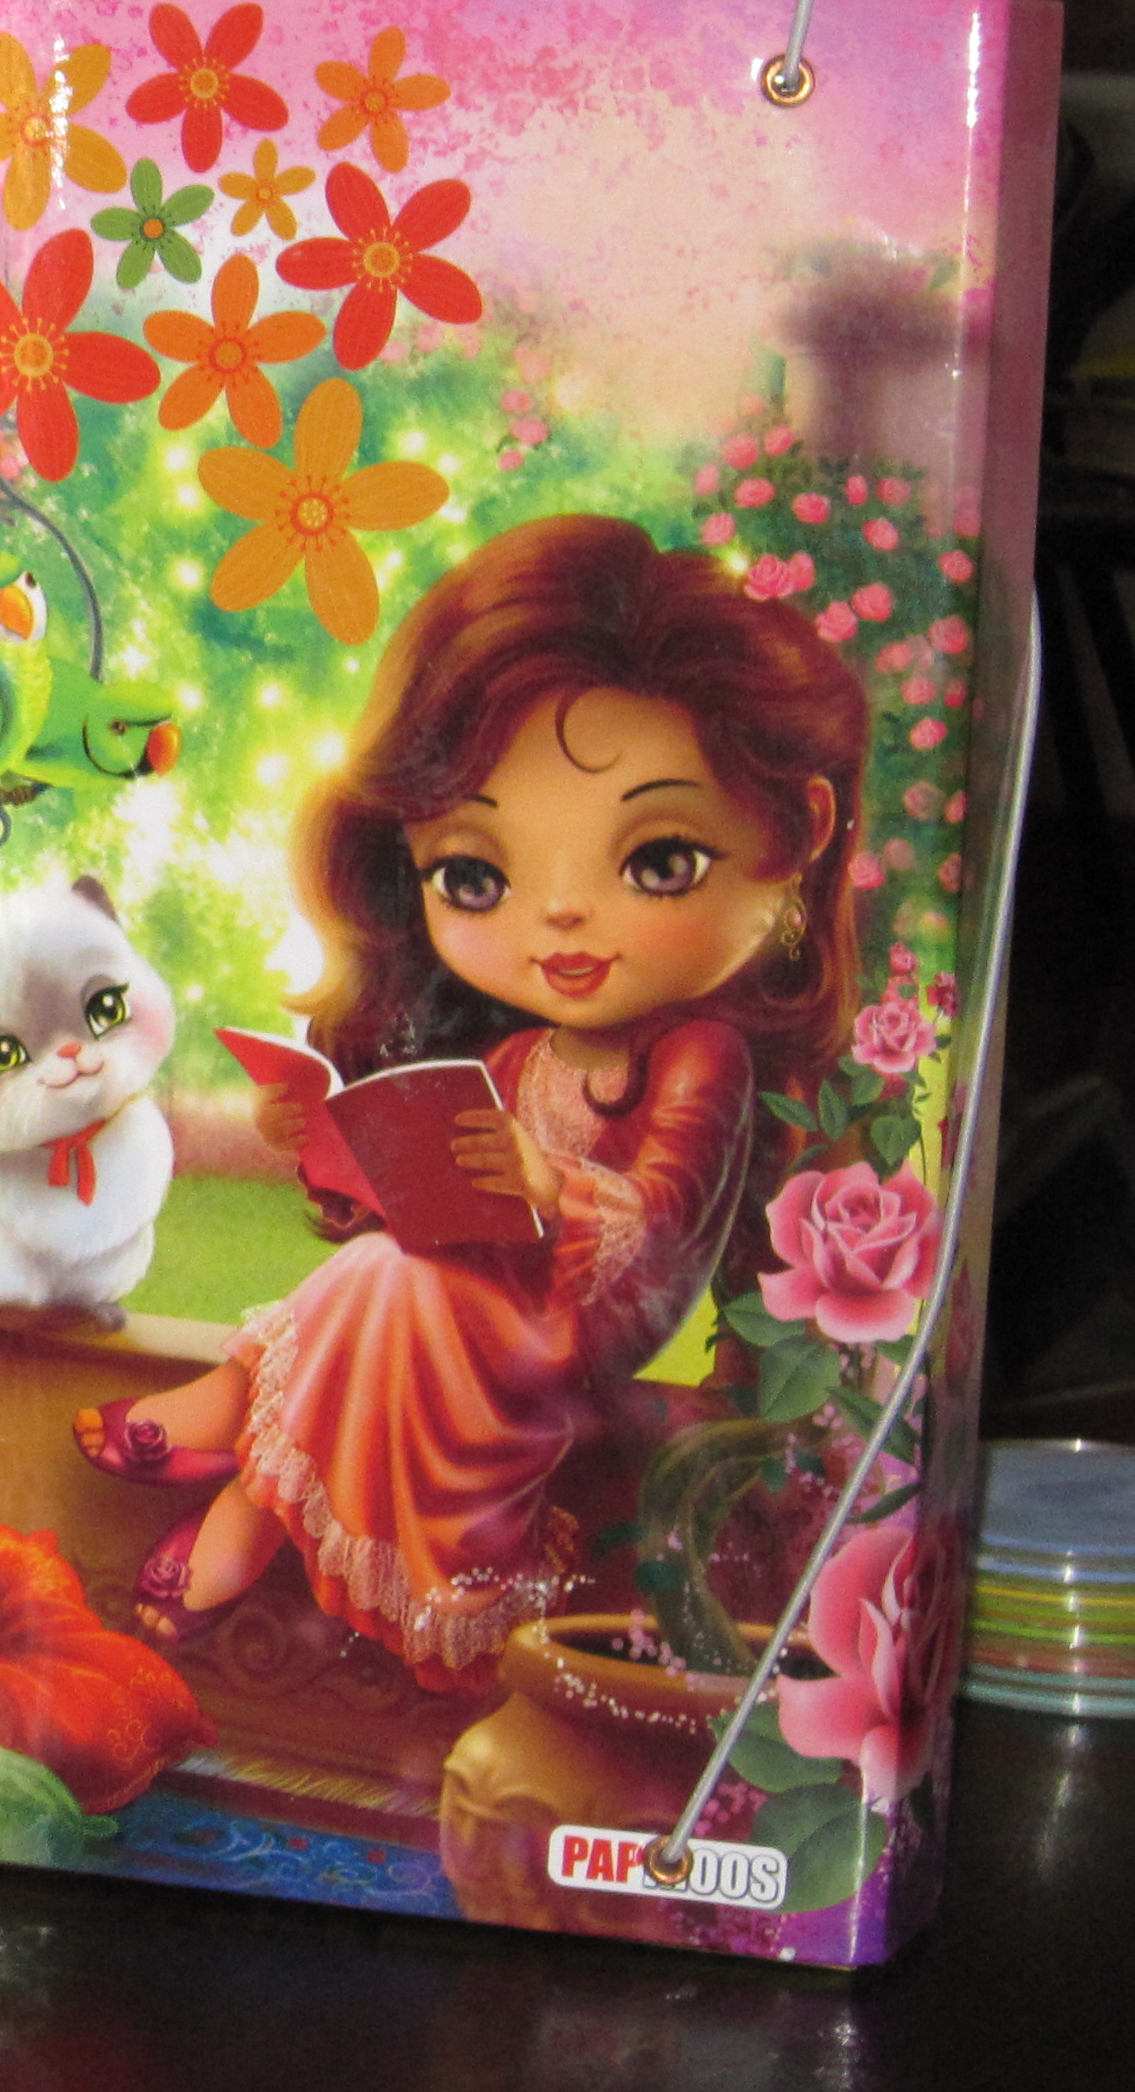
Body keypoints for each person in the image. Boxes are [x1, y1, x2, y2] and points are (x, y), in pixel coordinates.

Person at [72, 516, 866, 1691]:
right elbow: (424, 1193)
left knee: (385, 1281)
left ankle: (219, 1454)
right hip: (478, 1298)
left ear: (796, 833)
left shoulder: (701, 1052)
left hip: (576, 1322)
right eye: (476, 875)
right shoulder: (518, 1055)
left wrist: (551, 1180)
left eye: (656, 861)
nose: (560, 916)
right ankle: (233, 1488)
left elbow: (664, 1222)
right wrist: (327, 1139)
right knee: (377, 1267)